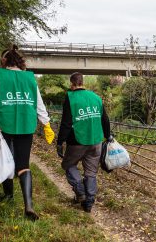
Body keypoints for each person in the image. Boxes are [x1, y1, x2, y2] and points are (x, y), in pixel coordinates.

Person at [0, 45, 55, 221]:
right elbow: (38, 103)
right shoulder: (30, 78)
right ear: (20, 61)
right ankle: (28, 205)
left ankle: (8, 195)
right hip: (25, 124)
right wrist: (46, 124)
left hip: (4, 124)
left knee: (5, 158)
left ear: (4, 61)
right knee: (23, 164)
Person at [56, 72, 111, 213]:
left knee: (68, 164)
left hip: (77, 141)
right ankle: (89, 202)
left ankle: (80, 191)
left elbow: (66, 123)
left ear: (72, 84)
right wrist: (107, 136)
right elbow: (105, 119)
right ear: (82, 82)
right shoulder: (96, 97)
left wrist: (60, 141)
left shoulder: (70, 97)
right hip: (96, 141)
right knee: (91, 172)